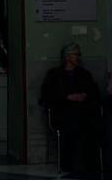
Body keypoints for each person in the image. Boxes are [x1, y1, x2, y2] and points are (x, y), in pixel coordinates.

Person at [40, 42, 101, 172]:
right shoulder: (54, 75)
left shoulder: (84, 74)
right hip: (63, 110)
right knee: (71, 123)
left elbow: (94, 92)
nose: (78, 57)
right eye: (75, 54)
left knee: (89, 123)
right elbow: (46, 95)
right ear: (67, 57)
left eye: (78, 55)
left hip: (83, 110)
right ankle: (70, 163)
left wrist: (84, 95)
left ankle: (89, 162)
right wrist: (67, 97)